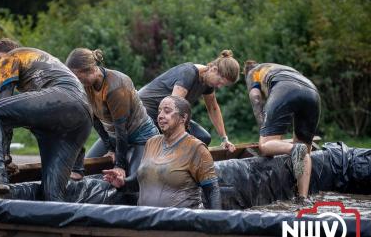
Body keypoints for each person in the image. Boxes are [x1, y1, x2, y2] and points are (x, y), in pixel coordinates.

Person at [0, 38, 92, 201]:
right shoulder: (39, 67)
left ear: (0, 56)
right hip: (82, 117)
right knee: (52, 193)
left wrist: (2, 161)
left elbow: (1, 108)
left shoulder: (9, 57)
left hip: (64, 98)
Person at [87, 50, 240, 158]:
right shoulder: (189, 73)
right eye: (220, 82)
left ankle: (183, 170)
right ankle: (89, 160)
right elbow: (171, 109)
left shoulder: (207, 81)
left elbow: (213, 108)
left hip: (163, 116)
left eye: (223, 85)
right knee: (109, 146)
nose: (219, 86)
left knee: (203, 137)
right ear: (213, 69)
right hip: (142, 114)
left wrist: (224, 138)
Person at [104, 96, 221, 209]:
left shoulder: (196, 148)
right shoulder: (151, 143)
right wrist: (123, 183)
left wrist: (216, 225)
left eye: (167, 111)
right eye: (159, 111)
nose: (160, 116)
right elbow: (140, 181)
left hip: (182, 223)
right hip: (147, 222)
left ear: (183, 118)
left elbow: (212, 191)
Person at [65, 48, 159, 182]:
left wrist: (119, 165)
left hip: (140, 135)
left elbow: (122, 129)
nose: (77, 81)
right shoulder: (86, 86)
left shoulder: (116, 86)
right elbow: (95, 121)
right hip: (114, 136)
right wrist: (110, 148)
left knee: (132, 180)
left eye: (79, 77)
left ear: (91, 69)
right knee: (88, 168)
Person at [243, 60, 321, 204]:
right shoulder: (280, 67)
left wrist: (264, 128)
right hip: (312, 92)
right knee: (304, 152)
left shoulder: (253, 72)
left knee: (265, 146)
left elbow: (255, 97)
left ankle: (294, 148)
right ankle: (303, 198)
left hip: (285, 89)